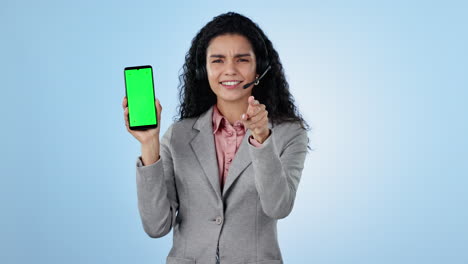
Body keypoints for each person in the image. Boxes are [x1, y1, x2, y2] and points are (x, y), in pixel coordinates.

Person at [122, 12, 310, 264]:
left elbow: (278, 207)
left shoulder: (290, 133)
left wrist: (262, 138)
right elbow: (156, 226)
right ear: (203, 69)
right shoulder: (178, 135)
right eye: (217, 60)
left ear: (260, 68)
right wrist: (149, 144)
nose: (229, 70)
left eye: (242, 59)